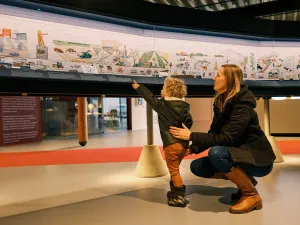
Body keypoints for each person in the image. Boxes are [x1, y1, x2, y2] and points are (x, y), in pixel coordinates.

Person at [169, 64, 276, 214]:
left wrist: (191, 136)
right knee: (198, 167)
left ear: (230, 79)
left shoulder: (242, 104)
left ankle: (250, 195)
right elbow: (214, 132)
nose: (214, 78)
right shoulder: (220, 102)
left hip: (256, 159)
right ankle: (245, 182)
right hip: (238, 154)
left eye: (218, 75)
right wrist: (193, 149)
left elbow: (226, 138)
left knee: (216, 153)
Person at [132, 77, 193, 207]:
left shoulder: (163, 105)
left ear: (169, 93)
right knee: (175, 168)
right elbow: (189, 122)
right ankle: (174, 192)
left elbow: (150, 98)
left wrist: (139, 87)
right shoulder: (185, 107)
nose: (161, 90)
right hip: (183, 144)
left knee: (174, 171)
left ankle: (179, 196)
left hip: (171, 145)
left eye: (163, 88)